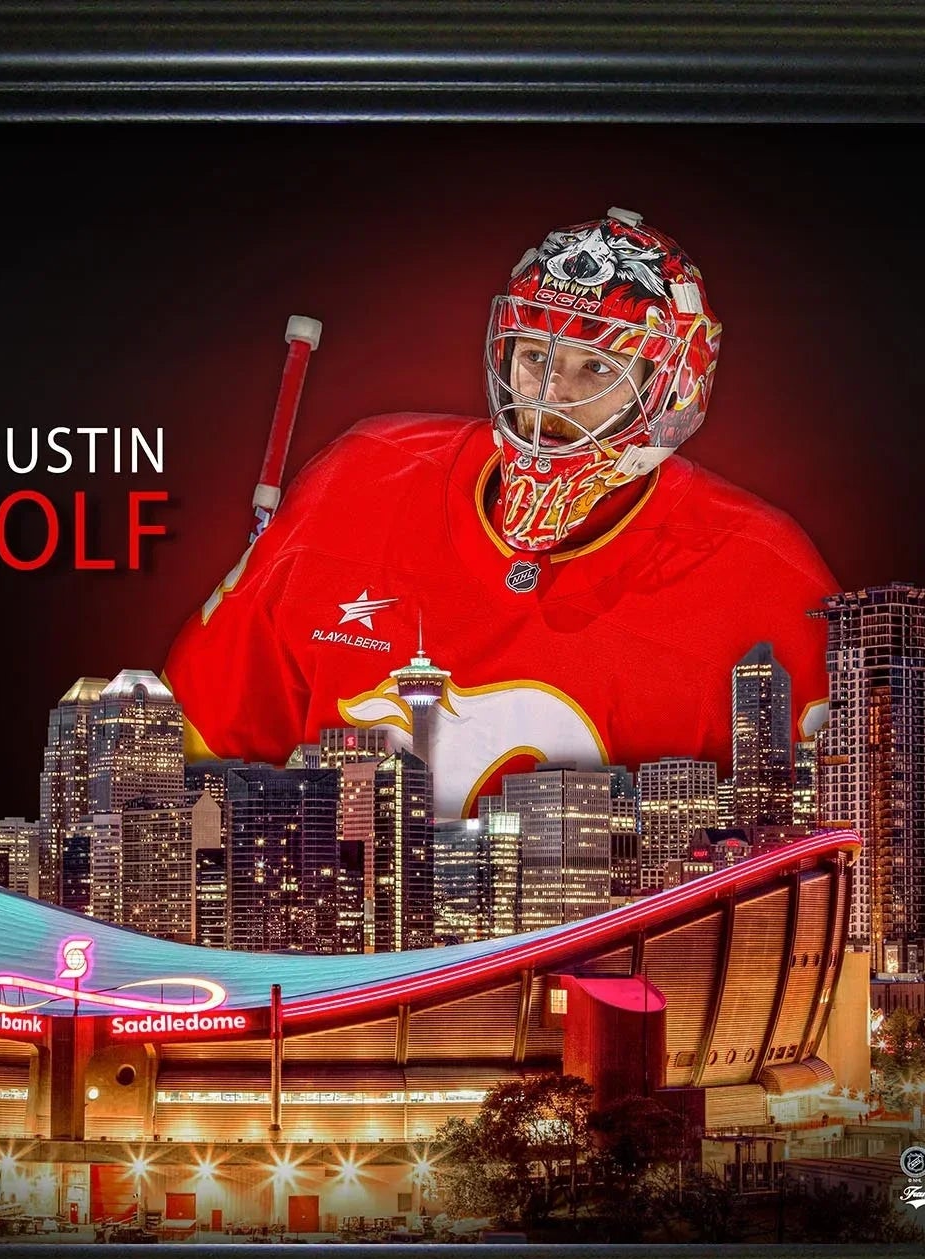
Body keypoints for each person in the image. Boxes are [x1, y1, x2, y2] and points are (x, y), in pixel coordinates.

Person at [163, 209, 837, 820]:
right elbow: (197, 747)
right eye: (535, 358)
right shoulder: (362, 475)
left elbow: (823, 859)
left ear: (674, 389)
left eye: (596, 371)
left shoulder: (763, 577)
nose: (549, 400)